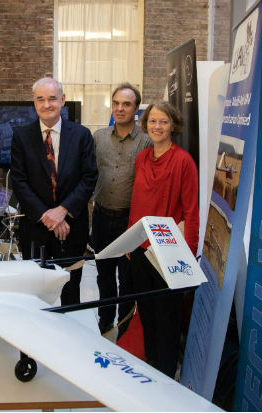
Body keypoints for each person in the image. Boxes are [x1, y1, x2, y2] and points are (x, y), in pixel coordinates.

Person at [10, 77, 98, 305]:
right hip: (35, 229)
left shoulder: (81, 135)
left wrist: (63, 210)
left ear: (63, 100)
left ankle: (69, 336)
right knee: (36, 293)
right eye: (40, 99)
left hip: (72, 228)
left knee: (70, 291)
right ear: (34, 102)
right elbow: (19, 181)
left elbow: (89, 178)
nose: (46, 104)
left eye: (52, 98)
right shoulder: (21, 136)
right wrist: (47, 215)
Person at [127, 101, 199, 378]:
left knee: (167, 321)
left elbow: (192, 212)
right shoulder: (142, 157)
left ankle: (166, 378)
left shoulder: (183, 161)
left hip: (168, 254)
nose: (157, 127)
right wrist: (129, 243)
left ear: (173, 126)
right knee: (146, 316)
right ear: (146, 124)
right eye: (153, 121)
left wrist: (188, 256)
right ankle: (152, 374)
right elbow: (137, 203)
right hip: (141, 251)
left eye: (164, 122)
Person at [92, 83, 151, 335]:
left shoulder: (148, 142)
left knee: (127, 280)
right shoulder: (98, 138)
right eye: (116, 103)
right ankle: (105, 322)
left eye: (126, 104)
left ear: (136, 109)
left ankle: (125, 329)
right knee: (104, 277)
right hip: (102, 216)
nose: (120, 108)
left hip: (131, 221)